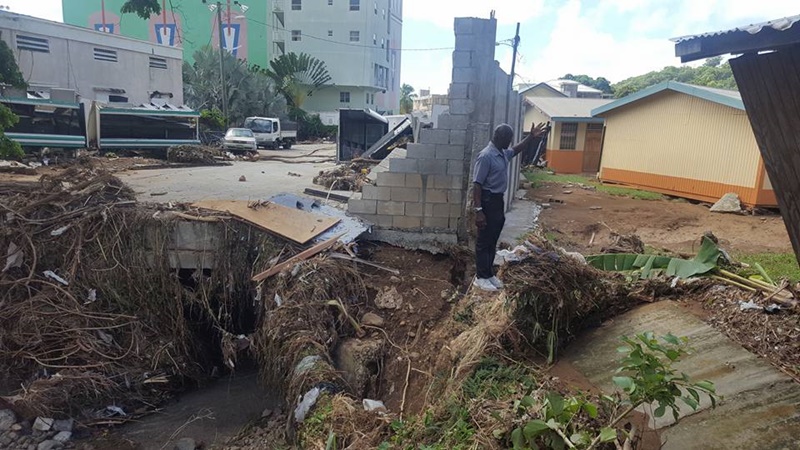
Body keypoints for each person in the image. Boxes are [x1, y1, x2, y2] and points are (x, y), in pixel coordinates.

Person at [472, 122, 547, 291]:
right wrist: (478, 211)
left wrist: (530, 137)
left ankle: (488, 274)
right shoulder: (486, 156)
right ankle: (480, 277)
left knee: (493, 239)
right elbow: (477, 185)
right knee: (484, 241)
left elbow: (516, 149)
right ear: (500, 138)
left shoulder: (501, 153)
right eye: (508, 139)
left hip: (498, 201)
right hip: (487, 201)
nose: (510, 142)